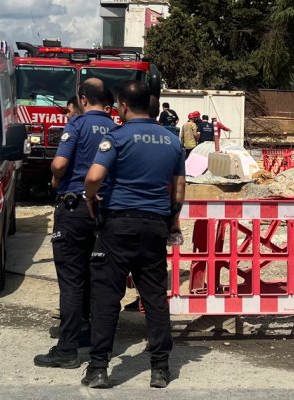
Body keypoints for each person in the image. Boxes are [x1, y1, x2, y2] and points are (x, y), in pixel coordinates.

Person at [82, 81, 185, 389]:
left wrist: (90, 198)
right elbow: (179, 190)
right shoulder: (172, 141)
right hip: (154, 225)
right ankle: (160, 369)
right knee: (154, 298)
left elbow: (94, 177)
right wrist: (172, 220)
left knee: (106, 297)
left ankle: (99, 368)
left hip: (118, 225)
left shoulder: (116, 138)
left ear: (123, 106)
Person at [34, 79, 115, 368]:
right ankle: (92, 336)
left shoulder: (77, 125)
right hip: (106, 210)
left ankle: (67, 349)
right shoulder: (117, 129)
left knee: (71, 280)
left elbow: (59, 164)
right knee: (96, 277)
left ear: (82, 99)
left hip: (75, 206)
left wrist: (55, 179)